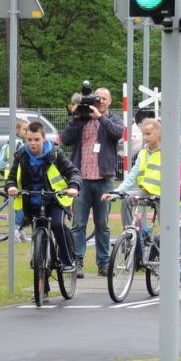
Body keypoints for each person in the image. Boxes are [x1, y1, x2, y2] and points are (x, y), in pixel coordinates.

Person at [102, 118, 181, 298]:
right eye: (143, 134)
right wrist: (118, 192)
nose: (145, 137)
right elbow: (133, 175)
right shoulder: (142, 154)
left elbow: (178, 176)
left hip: (163, 195)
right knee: (126, 199)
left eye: (148, 134)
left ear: (158, 132)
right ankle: (132, 235)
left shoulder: (169, 152)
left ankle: (176, 284)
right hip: (145, 192)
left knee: (169, 239)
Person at [4, 121, 81, 300]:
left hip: (55, 199)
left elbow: (73, 172)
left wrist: (73, 186)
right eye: (29, 139)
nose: (32, 143)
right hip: (33, 200)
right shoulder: (21, 154)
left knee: (56, 224)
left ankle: (68, 259)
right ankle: (42, 289)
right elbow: (11, 177)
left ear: (44, 138)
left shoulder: (55, 153)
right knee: (39, 245)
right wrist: (11, 187)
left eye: (36, 139)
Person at [60, 87, 124, 277]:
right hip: (82, 180)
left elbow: (117, 133)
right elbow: (66, 139)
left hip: (104, 180)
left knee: (102, 224)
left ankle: (103, 263)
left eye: (104, 99)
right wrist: (76, 118)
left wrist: (100, 118)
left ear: (110, 102)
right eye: (97, 99)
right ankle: (76, 260)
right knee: (78, 224)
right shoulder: (82, 120)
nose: (100, 102)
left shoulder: (113, 120)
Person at [0, 118, 29, 243]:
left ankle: (20, 230)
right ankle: (16, 230)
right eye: (24, 129)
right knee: (22, 205)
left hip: (10, 177)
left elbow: (1, 163)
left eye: (28, 129)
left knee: (19, 206)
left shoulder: (9, 143)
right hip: (16, 179)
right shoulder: (19, 145)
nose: (27, 132)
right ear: (18, 130)